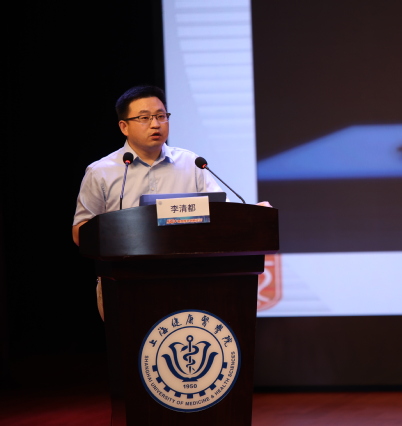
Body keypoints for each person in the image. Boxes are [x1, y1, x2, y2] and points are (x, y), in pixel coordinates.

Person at [72, 84, 271, 319]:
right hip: (124, 283)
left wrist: (251, 214)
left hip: (193, 280)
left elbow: (221, 214)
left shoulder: (192, 164)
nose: (155, 124)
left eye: (161, 116)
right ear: (124, 126)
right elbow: (80, 232)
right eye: (144, 118)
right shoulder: (101, 172)